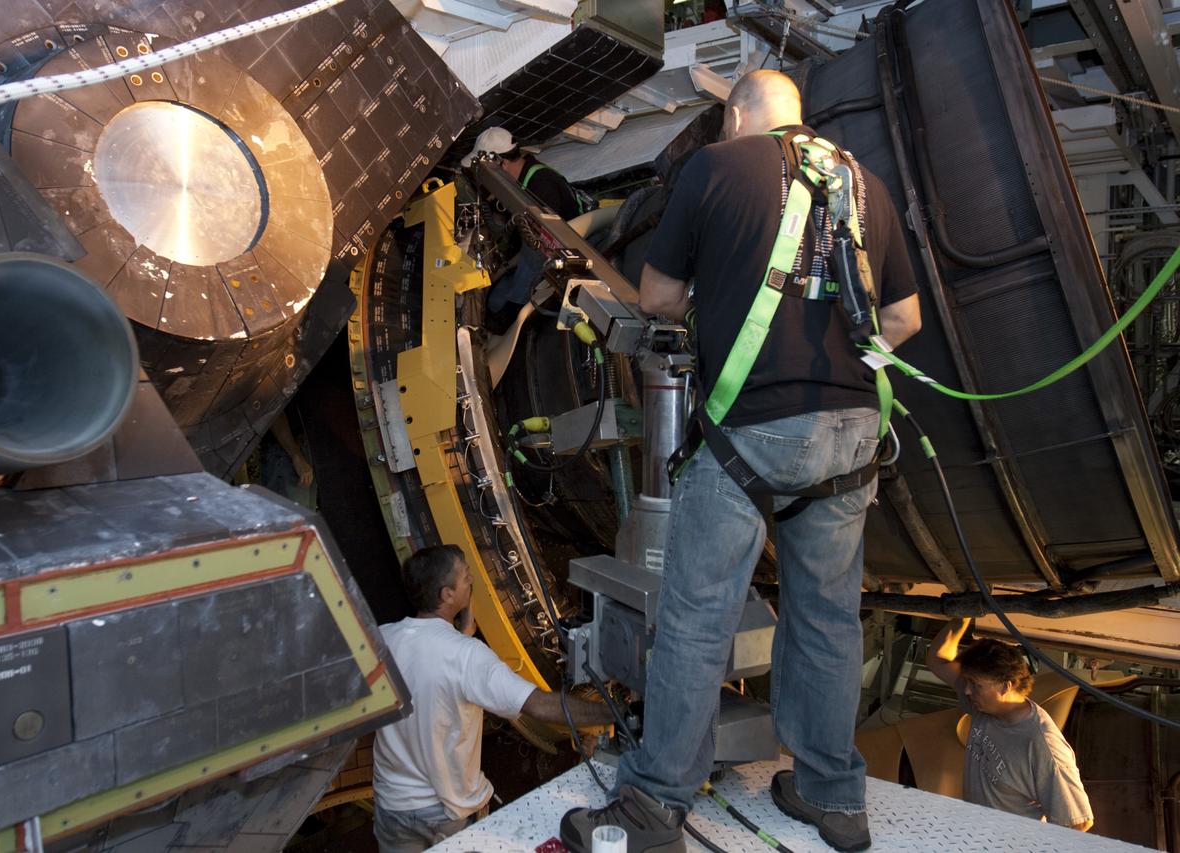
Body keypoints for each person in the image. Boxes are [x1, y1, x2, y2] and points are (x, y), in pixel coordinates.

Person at [560, 70, 922, 853]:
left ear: (735, 114)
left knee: (696, 618)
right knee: (827, 616)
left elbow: (656, 296)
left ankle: (656, 804)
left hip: (751, 430)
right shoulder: (867, 185)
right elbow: (903, 317)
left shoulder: (716, 167)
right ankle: (832, 797)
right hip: (854, 436)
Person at [372, 545, 614, 852]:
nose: (472, 579)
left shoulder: (382, 639)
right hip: (447, 813)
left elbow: (428, 662)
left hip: (393, 806)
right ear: (447, 595)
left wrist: (461, 632)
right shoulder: (468, 657)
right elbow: (538, 705)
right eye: (465, 576)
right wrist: (612, 712)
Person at [925, 618, 1095, 831]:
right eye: (968, 682)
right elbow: (937, 659)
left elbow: (1078, 821)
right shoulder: (984, 704)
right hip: (973, 837)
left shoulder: (1043, 745)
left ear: (1007, 686)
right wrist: (962, 617)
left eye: (976, 685)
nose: (967, 691)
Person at [460, 126, 582, 332]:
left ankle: (516, 314)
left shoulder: (542, 186)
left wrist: (504, 276)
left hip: (556, 262)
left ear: (501, 163)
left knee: (498, 309)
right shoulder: (520, 182)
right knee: (493, 302)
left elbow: (539, 249)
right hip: (529, 262)